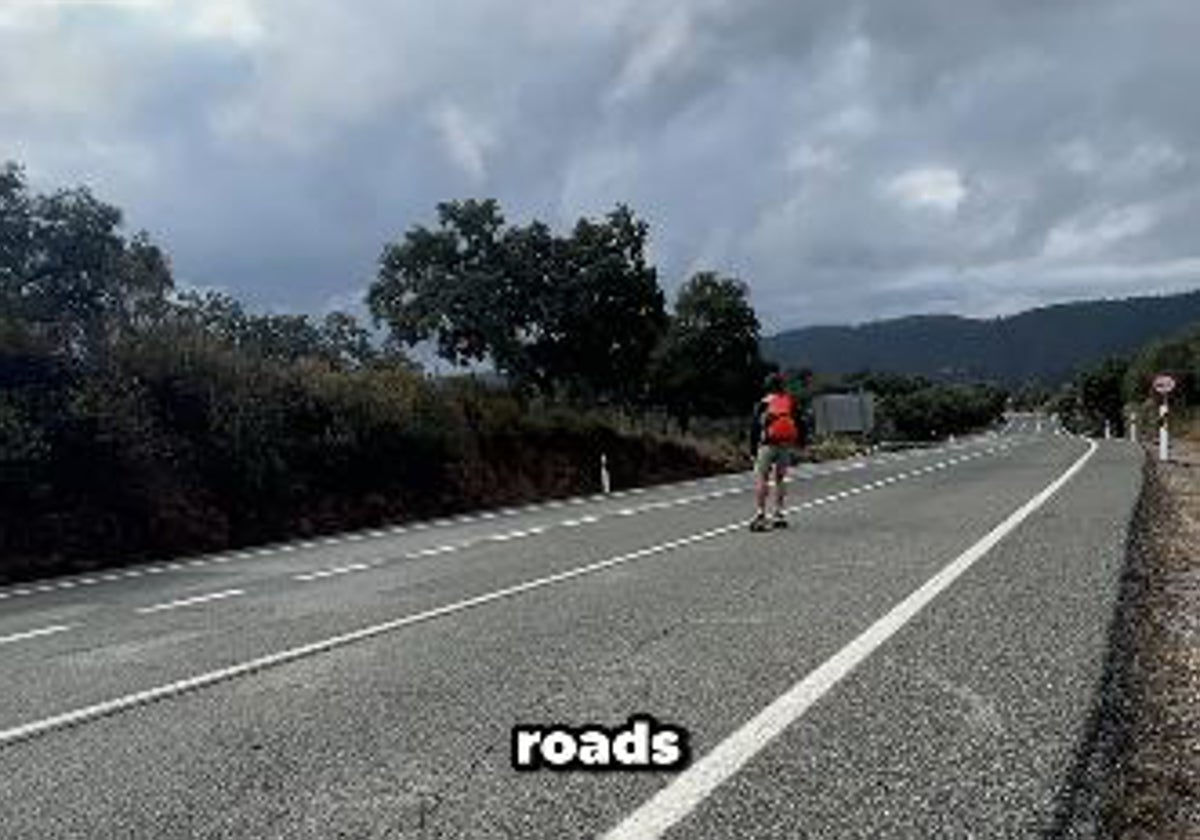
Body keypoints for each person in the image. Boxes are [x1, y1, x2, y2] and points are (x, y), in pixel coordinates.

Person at [749, 372, 802, 532]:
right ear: (782, 386)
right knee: (780, 479)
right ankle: (779, 514)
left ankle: (760, 514)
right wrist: (799, 443)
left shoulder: (763, 403)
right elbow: (799, 423)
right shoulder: (789, 402)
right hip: (784, 445)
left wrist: (752, 450)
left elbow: (754, 429)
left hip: (766, 445)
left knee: (762, 478)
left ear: (767, 386)